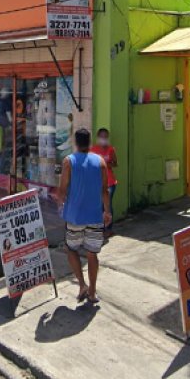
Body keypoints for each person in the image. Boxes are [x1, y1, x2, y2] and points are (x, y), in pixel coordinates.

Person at [58, 129, 111, 304]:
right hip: (95, 215)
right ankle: (93, 292)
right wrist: (107, 211)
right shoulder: (101, 162)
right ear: (89, 142)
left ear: (75, 142)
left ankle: (82, 285)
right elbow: (105, 190)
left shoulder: (69, 161)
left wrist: (60, 204)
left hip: (74, 217)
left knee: (71, 249)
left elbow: (63, 189)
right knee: (92, 254)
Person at [90, 127, 118, 237]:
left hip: (110, 182)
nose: (104, 139)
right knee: (99, 206)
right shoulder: (93, 150)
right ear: (98, 137)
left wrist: (106, 164)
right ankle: (100, 228)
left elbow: (115, 163)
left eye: (106, 137)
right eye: (101, 136)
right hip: (97, 183)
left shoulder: (111, 149)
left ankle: (108, 228)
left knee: (107, 206)